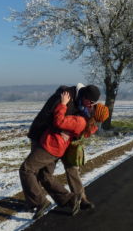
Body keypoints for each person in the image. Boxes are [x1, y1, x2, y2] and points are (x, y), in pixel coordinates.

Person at [20, 91, 109, 219]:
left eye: (93, 107)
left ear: (94, 113)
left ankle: (40, 202)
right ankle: (70, 200)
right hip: (56, 146)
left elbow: (59, 121)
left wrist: (63, 104)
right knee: (45, 175)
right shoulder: (90, 124)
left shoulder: (80, 121)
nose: (90, 106)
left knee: (26, 169)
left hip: (51, 145)